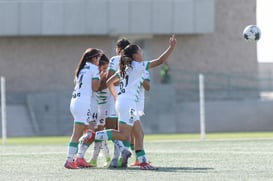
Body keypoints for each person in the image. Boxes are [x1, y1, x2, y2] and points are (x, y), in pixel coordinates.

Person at [83, 35, 176, 170]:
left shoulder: (125, 68)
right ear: (134, 55)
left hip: (125, 103)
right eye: (140, 51)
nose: (142, 53)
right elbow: (160, 61)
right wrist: (171, 47)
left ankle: (142, 162)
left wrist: (116, 97)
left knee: (139, 134)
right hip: (128, 104)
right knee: (124, 135)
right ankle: (93, 135)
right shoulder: (137, 66)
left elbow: (109, 82)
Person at [64, 48, 102, 169]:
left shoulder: (81, 69)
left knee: (90, 132)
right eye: (98, 58)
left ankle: (79, 157)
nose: (99, 61)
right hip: (82, 104)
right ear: (94, 58)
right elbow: (95, 88)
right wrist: (101, 77)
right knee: (77, 134)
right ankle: (69, 160)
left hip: (76, 101)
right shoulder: (93, 68)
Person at [106, 37, 131, 167]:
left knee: (112, 129)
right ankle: (123, 158)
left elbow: (109, 78)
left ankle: (116, 158)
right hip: (129, 98)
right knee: (125, 129)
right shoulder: (133, 62)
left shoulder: (114, 60)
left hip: (114, 96)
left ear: (119, 49)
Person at [88, 54, 111, 167]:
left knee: (99, 133)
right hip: (97, 107)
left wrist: (102, 79)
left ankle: (94, 159)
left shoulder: (107, 76)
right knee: (98, 134)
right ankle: (106, 157)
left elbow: (101, 87)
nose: (105, 70)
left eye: (106, 68)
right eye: (103, 68)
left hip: (105, 107)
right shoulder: (95, 75)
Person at [130, 70, 150, 166]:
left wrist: (140, 76)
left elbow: (147, 87)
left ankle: (138, 158)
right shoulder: (125, 68)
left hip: (136, 105)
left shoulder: (143, 70)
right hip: (127, 103)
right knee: (130, 133)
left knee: (134, 133)